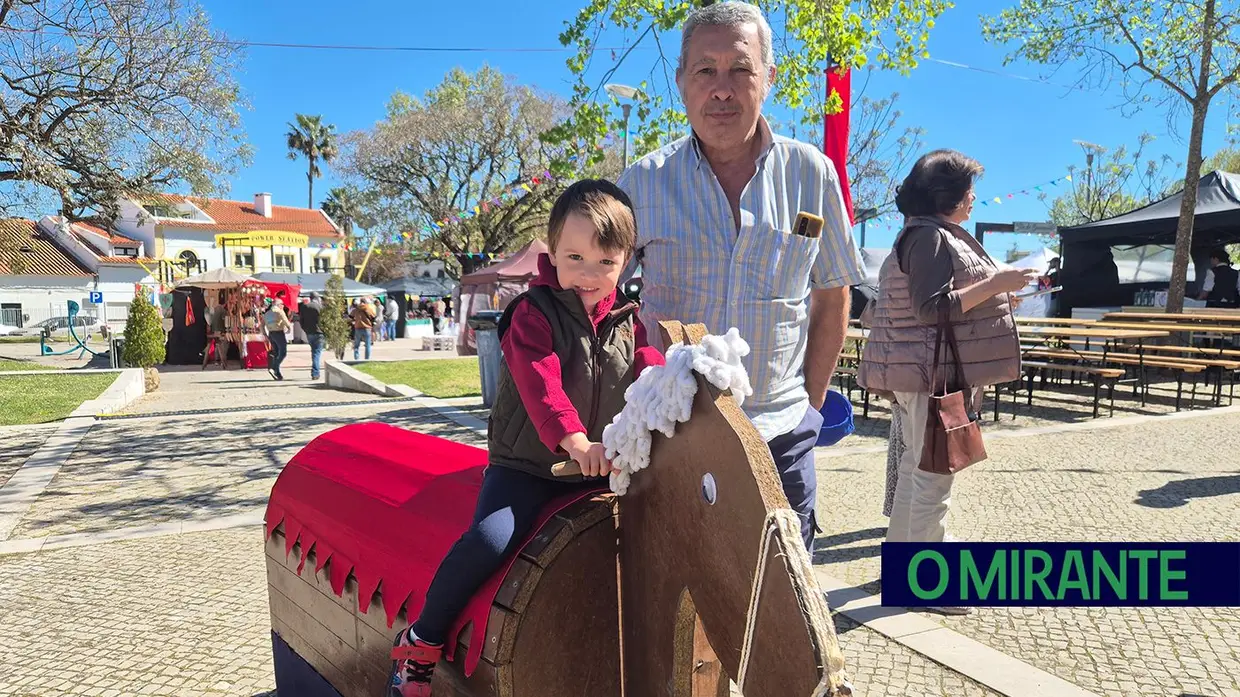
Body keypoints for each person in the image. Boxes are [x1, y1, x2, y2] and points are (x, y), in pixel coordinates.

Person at [387, 179, 664, 696]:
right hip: (528, 466)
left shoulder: (630, 322)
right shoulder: (532, 315)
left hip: (596, 468)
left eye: (606, 262)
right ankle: (420, 642)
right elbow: (543, 388)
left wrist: (672, 388)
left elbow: (650, 376)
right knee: (492, 537)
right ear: (552, 250)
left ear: (626, 261)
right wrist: (577, 442)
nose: (589, 274)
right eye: (575, 257)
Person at [617, 0, 864, 553]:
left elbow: (832, 294)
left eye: (740, 69)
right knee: (674, 613)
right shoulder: (643, 183)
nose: (722, 88)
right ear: (682, 83)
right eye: (705, 70)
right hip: (671, 437)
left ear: (769, 78)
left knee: (783, 614)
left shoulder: (811, 173)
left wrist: (812, 408)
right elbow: (597, 296)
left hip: (779, 433)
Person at [858, 149, 1034, 613]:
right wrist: (999, 284)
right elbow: (932, 308)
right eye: (968, 190)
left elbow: (935, 307)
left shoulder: (920, 236)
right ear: (948, 197)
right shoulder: (930, 238)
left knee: (920, 470)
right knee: (934, 477)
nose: (974, 198)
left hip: (918, 372)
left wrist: (995, 298)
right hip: (928, 375)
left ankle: (900, 573)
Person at [264, 297, 293, 381]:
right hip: (278, 333)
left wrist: (265, 334)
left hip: (271, 334)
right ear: (279, 305)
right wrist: (289, 329)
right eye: (282, 304)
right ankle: (274, 368)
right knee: (283, 353)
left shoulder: (267, 313)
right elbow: (285, 320)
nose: (283, 306)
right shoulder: (279, 311)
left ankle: (277, 374)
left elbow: (262, 325)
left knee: (276, 353)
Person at [298, 292, 324, 380]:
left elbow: (301, 320)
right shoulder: (320, 307)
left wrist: (305, 329)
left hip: (309, 332)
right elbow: (324, 320)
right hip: (319, 332)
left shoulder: (305, 306)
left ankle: (315, 372)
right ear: (317, 298)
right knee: (316, 353)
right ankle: (315, 373)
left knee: (314, 352)